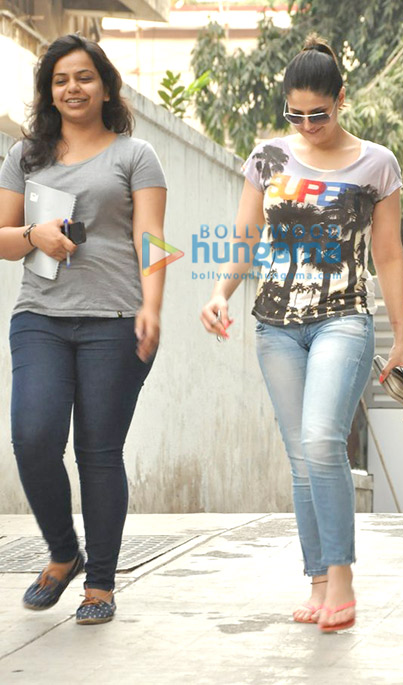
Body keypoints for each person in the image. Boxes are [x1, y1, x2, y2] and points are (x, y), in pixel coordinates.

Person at [201, 33, 403, 633]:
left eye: (317, 114)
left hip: (343, 319)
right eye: (295, 114)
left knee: (323, 440)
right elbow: (246, 236)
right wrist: (220, 292)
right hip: (275, 326)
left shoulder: (377, 163)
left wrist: (402, 341)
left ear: (341, 99)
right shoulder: (267, 158)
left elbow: (389, 255)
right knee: (302, 458)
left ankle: (342, 575)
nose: (306, 125)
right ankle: (318, 580)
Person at [0, 34, 167, 625]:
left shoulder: (135, 155)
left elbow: (151, 240)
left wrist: (152, 307)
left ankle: (100, 584)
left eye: (84, 77)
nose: (73, 88)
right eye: (61, 80)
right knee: (33, 438)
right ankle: (63, 552)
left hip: (115, 321)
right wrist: (34, 236)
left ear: (105, 87)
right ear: (50, 92)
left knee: (99, 452)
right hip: (40, 318)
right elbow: (2, 237)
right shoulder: (25, 156)